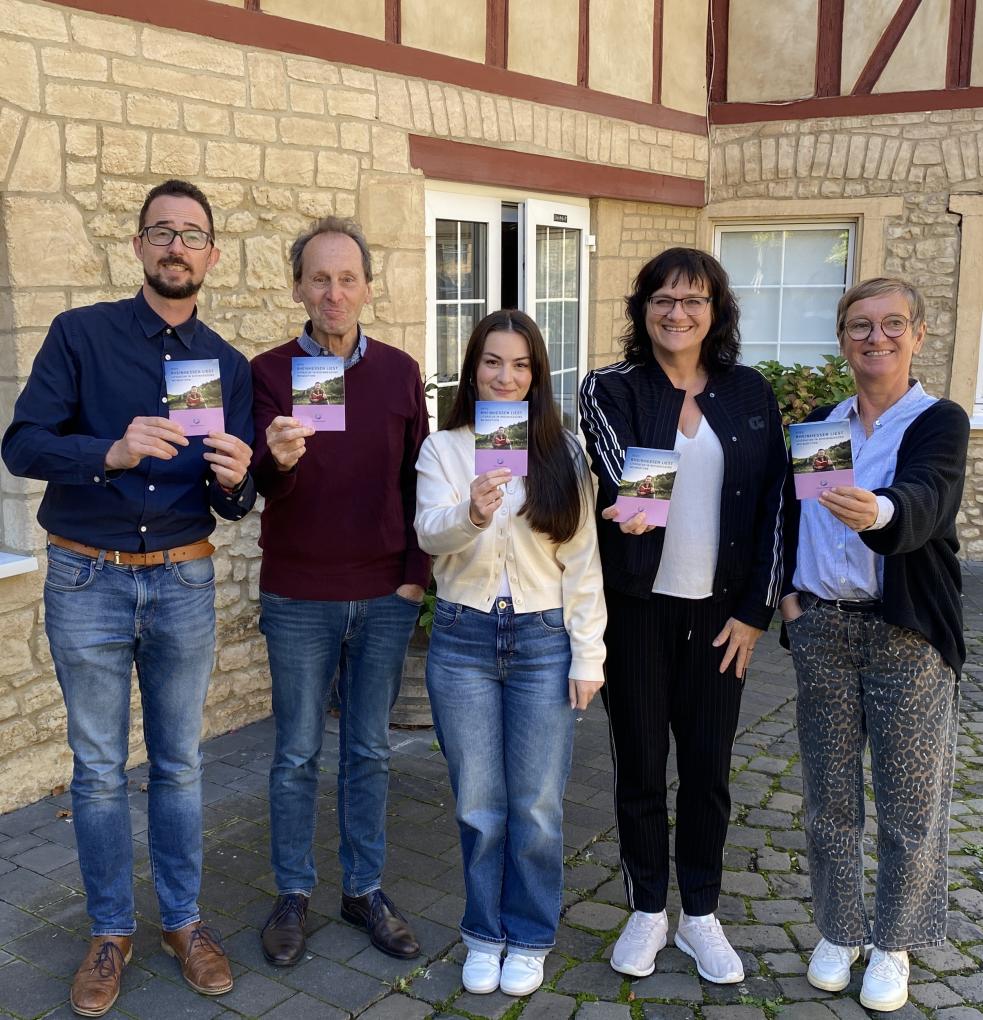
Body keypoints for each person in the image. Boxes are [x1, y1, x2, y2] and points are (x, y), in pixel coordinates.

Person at [1, 179, 255, 1016]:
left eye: (192, 234)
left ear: (211, 254)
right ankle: (110, 931)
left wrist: (238, 481)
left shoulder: (225, 365)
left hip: (182, 578)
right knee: (100, 769)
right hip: (88, 578)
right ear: (140, 245)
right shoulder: (80, 335)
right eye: (162, 232)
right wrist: (108, 451)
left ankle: (183, 922)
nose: (177, 246)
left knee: (179, 763)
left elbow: (230, 500)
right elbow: (22, 445)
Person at [579, 248, 786, 984]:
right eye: (662, 299)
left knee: (707, 770)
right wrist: (638, 497)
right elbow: (620, 466)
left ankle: (699, 913)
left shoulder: (749, 391)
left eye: (694, 300)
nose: (677, 313)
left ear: (715, 310)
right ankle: (646, 908)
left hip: (722, 615)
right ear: (642, 309)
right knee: (639, 765)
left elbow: (776, 504)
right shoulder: (610, 386)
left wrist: (757, 611)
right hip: (638, 610)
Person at [780, 278, 969, 1013]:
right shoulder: (821, 426)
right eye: (860, 325)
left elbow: (927, 499)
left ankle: (893, 942)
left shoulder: (937, 420)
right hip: (822, 628)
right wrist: (789, 602)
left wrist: (881, 511)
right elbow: (796, 519)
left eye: (892, 324)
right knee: (828, 798)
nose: (875, 338)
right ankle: (839, 930)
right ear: (842, 340)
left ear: (917, 335)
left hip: (906, 633)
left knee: (909, 802)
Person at [251, 216, 429, 966]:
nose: (333, 292)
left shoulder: (399, 371)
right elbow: (258, 486)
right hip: (299, 594)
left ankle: (363, 889)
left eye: (347, 278)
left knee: (368, 751)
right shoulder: (266, 373)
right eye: (319, 278)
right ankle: (293, 892)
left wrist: (415, 576)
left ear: (366, 287)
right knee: (296, 753)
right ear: (297, 287)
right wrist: (278, 461)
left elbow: (421, 480)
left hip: (384, 593)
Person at [415, 309, 606, 997]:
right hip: (463, 637)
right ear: (472, 370)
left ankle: (528, 936)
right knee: (477, 803)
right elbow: (428, 535)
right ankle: (482, 932)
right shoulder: (444, 449)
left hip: (541, 639)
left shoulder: (566, 452)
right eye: (493, 362)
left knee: (535, 806)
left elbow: (582, 560)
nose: (506, 377)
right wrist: (469, 512)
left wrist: (588, 653)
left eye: (521, 365)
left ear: (537, 375)